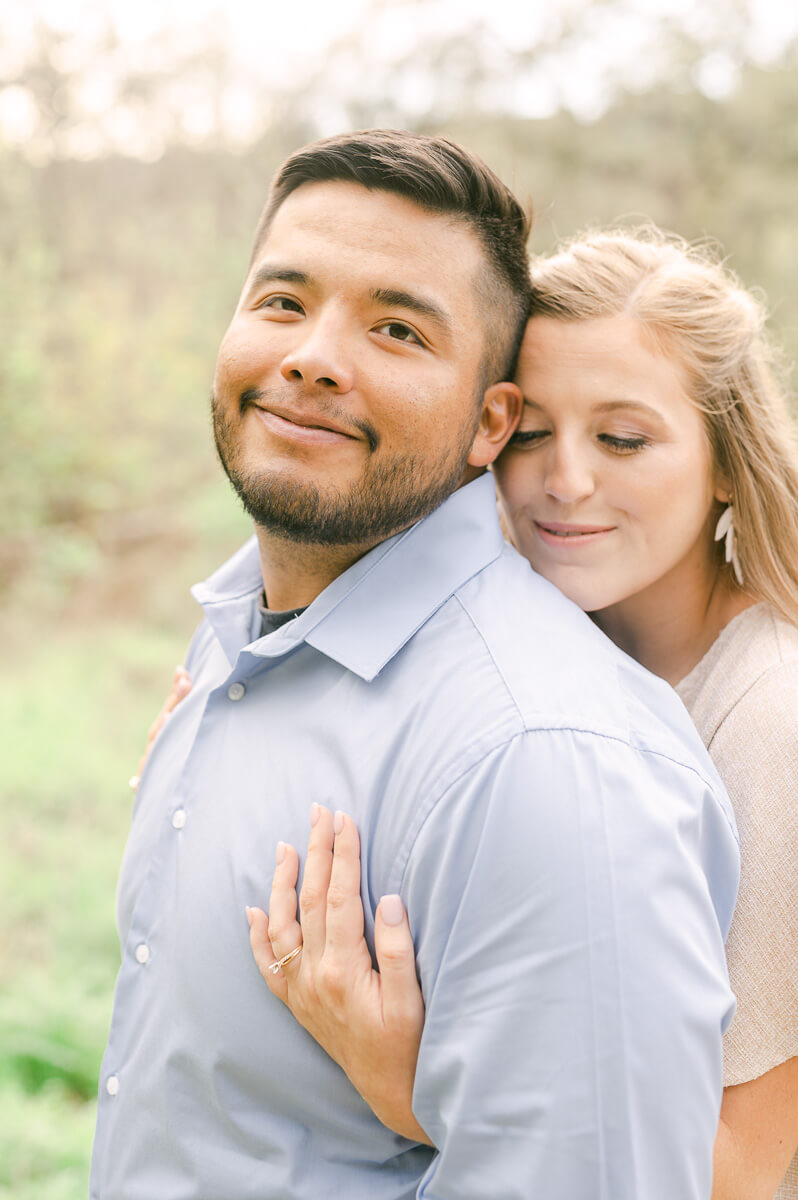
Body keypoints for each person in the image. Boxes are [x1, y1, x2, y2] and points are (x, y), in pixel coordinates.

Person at [96, 136, 739, 1200]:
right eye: (284, 301)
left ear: (492, 423)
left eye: (397, 328)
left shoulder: (544, 758)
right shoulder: (234, 635)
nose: (313, 356)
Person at [236, 228, 798, 1199]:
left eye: (623, 438)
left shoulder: (770, 723)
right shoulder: (541, 668)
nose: (567, 480)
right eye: (531, 432)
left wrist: (405, 1077)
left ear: (720, 460)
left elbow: (734, 1171)